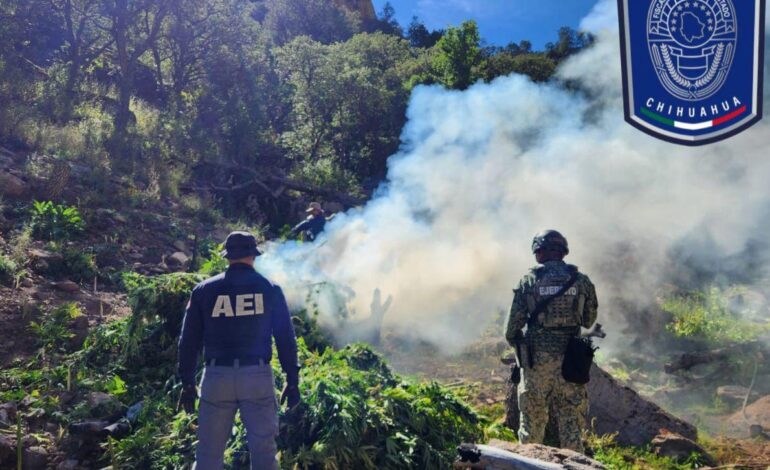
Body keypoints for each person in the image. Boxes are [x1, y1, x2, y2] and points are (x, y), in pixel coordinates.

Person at [177, 231, 300, 470]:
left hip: (216, 379)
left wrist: (187, 382)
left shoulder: (204, 291)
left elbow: (188, 340)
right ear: (253, 256)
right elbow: (286, 338)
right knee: (264, 452)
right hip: (257, 377)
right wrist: (292, 380)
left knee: (208, 454)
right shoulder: (270, 289)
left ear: (227, 257)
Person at [504, 230, 598, 452]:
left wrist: (521, 349)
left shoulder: (528, 280)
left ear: (539, 251)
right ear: (563, 251)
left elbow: (512, 329)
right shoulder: (581, 280)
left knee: (532, 424)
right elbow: (588, 320)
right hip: (572, 361)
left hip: (537, 362)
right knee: (571, 424)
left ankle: (529, 465)